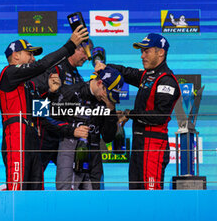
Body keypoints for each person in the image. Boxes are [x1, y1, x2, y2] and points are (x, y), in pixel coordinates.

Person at [0, 26, 89, 190]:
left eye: (33, 55)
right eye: (29, 53)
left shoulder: (30, 86)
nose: (33, 58)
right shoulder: (8, 73)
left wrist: (52, 93)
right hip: (16, 134)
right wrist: (69, 47)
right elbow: (41, 66)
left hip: (33, 136)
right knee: (17, 190)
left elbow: (41, 115)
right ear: (16, 56)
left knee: (37, 191)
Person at [97, 33, 180, 190]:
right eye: (141, 52)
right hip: (140, 143)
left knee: (150, 194)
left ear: (160, 52)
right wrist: (104, 67)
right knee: (136, 193)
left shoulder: (166, 80)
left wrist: (130, 114)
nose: (142, 56)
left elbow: (160, 116)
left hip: (153, 144)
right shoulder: (147, 76)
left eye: (146, 51)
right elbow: (125, 72)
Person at [49, 66, 122, 190]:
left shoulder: (107, 102)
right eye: (108, 93)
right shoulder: (71, 92)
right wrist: (72, 130)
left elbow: (108, 137)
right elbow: (46, 119)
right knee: (67, 196)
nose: (109, 97)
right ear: (100, 83)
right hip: (70, 147)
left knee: (96, 198)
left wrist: (111, 110)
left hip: (94, 152)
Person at [39, 39, 93, 173]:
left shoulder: (78, 78)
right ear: (75, 48)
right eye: (85, 52)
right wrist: (39, 121)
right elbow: (39, 101)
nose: (87, 58)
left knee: (72, 176)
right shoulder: (55, 67)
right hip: (45, 134)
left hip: (64, 136)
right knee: (35, 177)